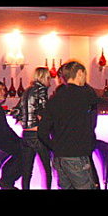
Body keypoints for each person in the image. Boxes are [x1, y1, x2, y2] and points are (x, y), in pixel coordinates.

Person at [38, 61, 99, 190]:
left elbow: (42, 131)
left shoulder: (55, 98)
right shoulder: (86, 94)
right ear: (80, 73)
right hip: (77, 155)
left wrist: (55, 146)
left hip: (59, 157)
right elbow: (102, 101)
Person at [16, 67, 52, 190]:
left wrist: (23, 120)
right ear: (44, 77)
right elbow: (44, 110)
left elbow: (17, 110)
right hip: (37, 134)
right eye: (49, 78)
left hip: (26, 134)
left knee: (27, 171)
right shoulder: (41, 89)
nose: (50, 81)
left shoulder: (27, 91)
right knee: (47, 168)